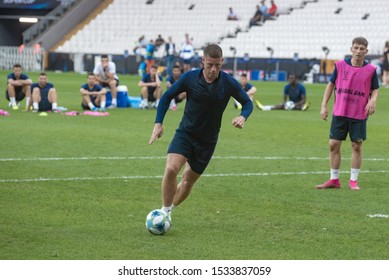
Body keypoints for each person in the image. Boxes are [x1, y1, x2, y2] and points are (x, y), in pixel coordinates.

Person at [148, 44, 253, 218]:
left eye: (218, 65)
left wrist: (243, 116)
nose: (213, 69)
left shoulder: (228, 83)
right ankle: (164, 212)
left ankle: (168, 211)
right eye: (210, 64)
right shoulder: (190, 78)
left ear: (222, 62)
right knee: (171, 169)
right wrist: (158, 123)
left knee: (187, 181)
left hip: (207, 141)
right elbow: (167, 96)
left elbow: (247, 102)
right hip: (186, 134)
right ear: (203, 60)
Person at [316, 37, 379, 191]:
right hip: (340, 111)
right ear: (351, 49)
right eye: (356, 48)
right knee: (333, 144)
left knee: (356, 145)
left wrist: (373, 101)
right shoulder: (340, 66)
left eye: (361, 49)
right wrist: (324, 105)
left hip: (358, 113)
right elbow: (330, 85)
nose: (358, 51)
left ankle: (353, 181)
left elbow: (375, 88)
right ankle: (334, 180)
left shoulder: (371, 70)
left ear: (366, 51)